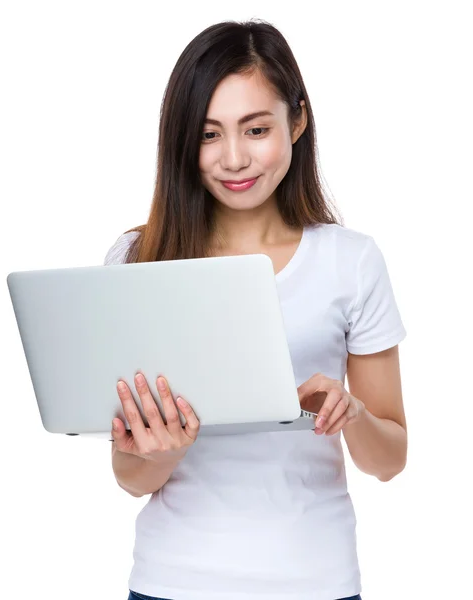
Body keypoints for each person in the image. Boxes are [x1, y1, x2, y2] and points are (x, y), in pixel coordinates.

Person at [105, 18, 407, 600]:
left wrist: (353, 415)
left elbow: (390, 459)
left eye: (256, 128)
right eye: (209, 134)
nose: (235, 158)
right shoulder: (141, 259)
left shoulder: (352, 262)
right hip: (172, 581)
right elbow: (129, 477)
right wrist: (168, 446)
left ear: (297, 120)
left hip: (315, 582)